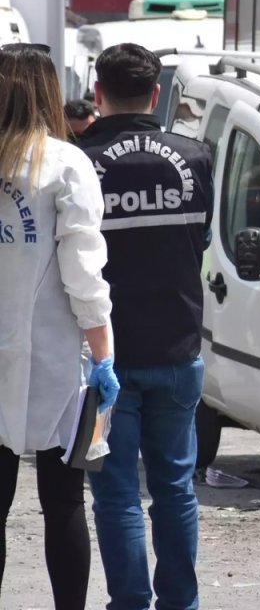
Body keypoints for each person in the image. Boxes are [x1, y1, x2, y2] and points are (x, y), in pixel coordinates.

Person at [76, 43, 213, 610]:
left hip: (102, 357)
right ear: (157, 95)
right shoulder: (195, 156)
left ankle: (129, 603)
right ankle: (180, 603)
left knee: (115, 495)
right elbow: (199, 242)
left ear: (98, 93)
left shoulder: (77, 160)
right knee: (175, 489)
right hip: (179, 349)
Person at [0, 43, 118, 610]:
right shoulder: (65, 164)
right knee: (64, 499)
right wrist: (105, 354)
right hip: (56, 357)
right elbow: (83, 272)